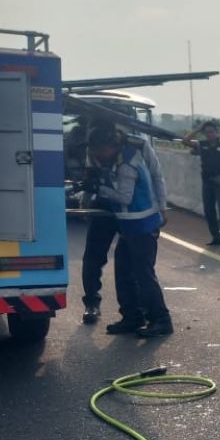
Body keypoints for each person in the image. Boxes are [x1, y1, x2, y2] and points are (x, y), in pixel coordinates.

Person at [86, 122, 173, 338]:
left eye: (99, 150)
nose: (96, 154)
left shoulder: (127, 163)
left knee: (143, 274)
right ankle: (132, 317)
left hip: (142, 225)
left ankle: (161, 320)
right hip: (129, 225)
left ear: (111, 146)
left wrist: (100, 190)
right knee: (123, 272)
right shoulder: (113, 159)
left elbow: (125, 196)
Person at [182, 119, 220, 247]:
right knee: (209, 211)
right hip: (207, 182)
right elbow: (185, 141)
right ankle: (216, 238)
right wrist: (198, 129)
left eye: (212, 132)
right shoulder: (202, 145)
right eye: (206, 132)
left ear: (217, 133)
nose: (209, 134)